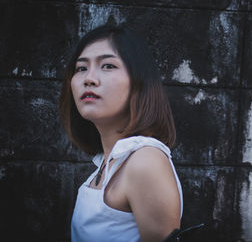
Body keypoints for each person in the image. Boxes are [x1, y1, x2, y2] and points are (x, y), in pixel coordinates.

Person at [59, 23, 183, 242]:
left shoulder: (145, 161)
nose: (89, 78)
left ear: (139, 82)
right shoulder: (107, 164)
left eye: (107, 66)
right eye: (81, 68)